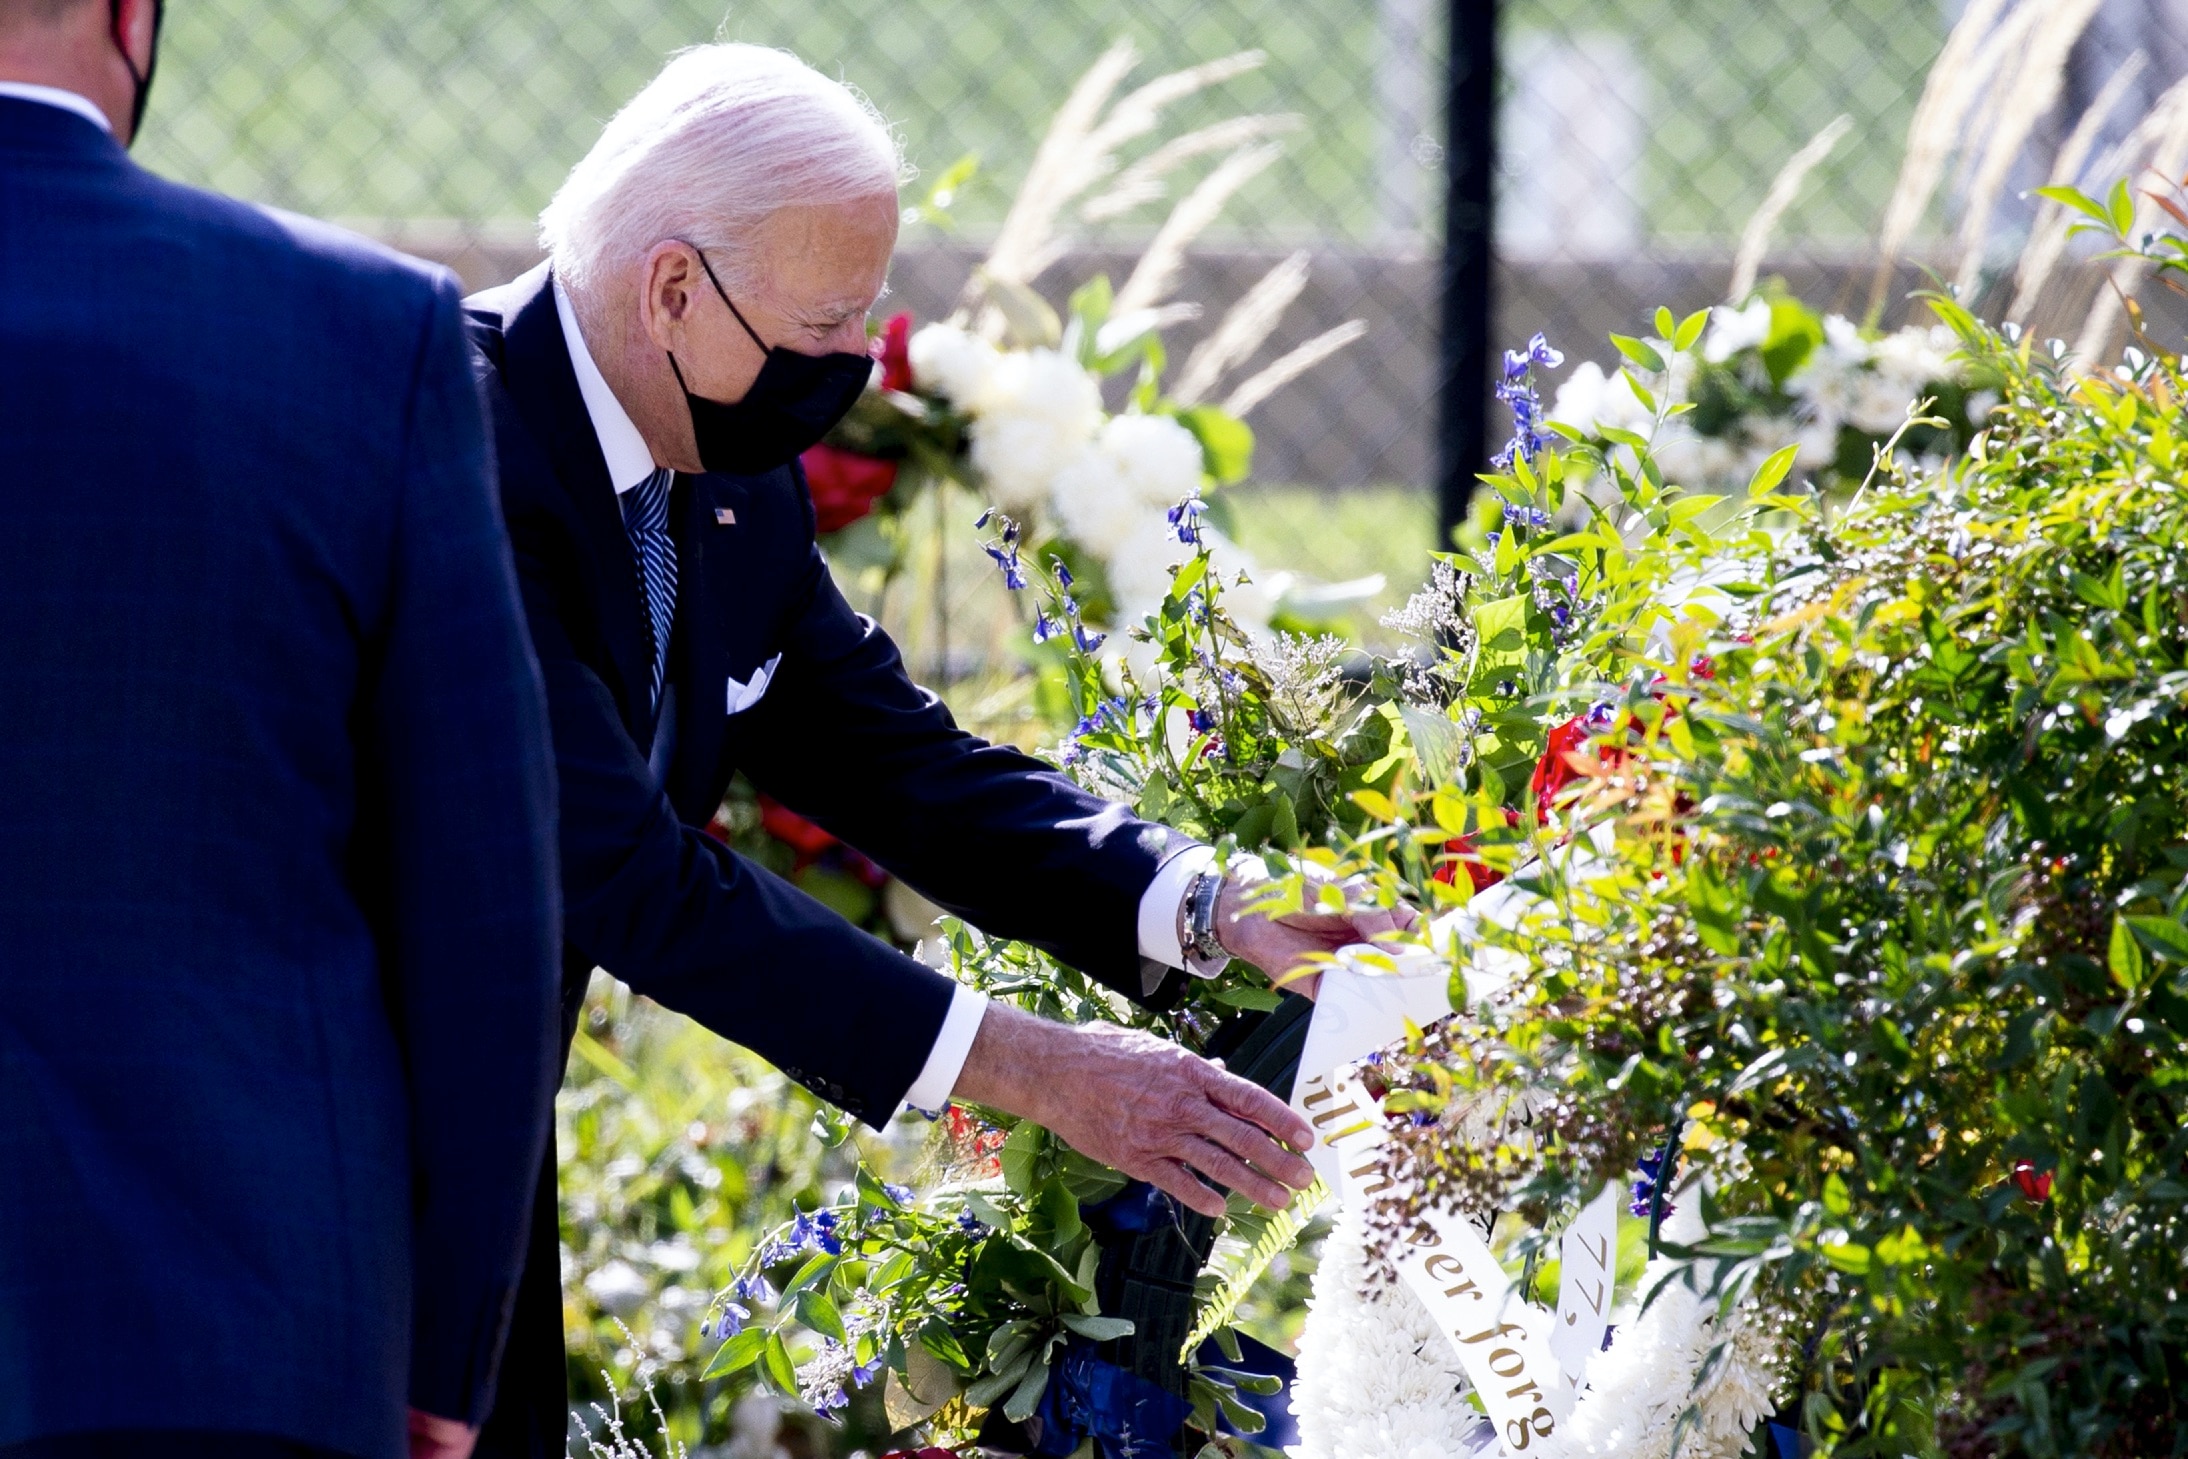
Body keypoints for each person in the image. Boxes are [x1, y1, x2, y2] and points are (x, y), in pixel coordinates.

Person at [463, 43, 1413, 1457]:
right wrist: (1040, 1070)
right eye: (830, 322)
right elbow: (622, 875)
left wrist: (1206, 903)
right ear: (672, 287)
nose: (854, 368)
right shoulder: (460, 444)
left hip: (471, 1127)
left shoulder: (723, 476)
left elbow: (891, 756)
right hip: (308, 1119)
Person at [0, 4, 564, 1459]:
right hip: (244, 1331)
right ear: (133, 17)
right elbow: (484, 905)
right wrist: (448, 1347)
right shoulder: (359, 334)